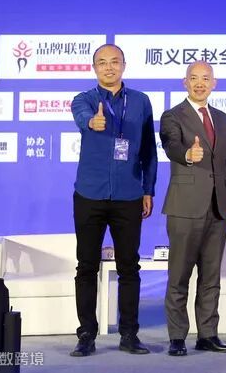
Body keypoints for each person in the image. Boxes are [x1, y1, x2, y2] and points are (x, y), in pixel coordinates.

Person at [70, 44, 157, 356]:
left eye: (114, 61)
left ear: (124, 65)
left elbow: (149, 150)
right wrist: (92, 123)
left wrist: (148, 189)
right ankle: (86, 335)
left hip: (129, 194)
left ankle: (129, 334)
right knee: (86, 266)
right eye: (102, 62)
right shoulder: (84, 100)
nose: (109, 67)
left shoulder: (141, 101)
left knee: (129, 267)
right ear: (94, 68)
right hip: (89, 194)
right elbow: (83, 118)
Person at [159, 61, 226, 356]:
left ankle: (208, 334)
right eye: (194, 78)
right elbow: (170, 145)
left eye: (205, 78)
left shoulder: (222, 118)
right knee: (179, 276)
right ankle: (177, 337)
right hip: (185, 206)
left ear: (214, 83)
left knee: (211, 277)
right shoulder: (172, 115)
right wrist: (187, 154)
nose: (200, 83)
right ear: (185, 82)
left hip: (218, 208)